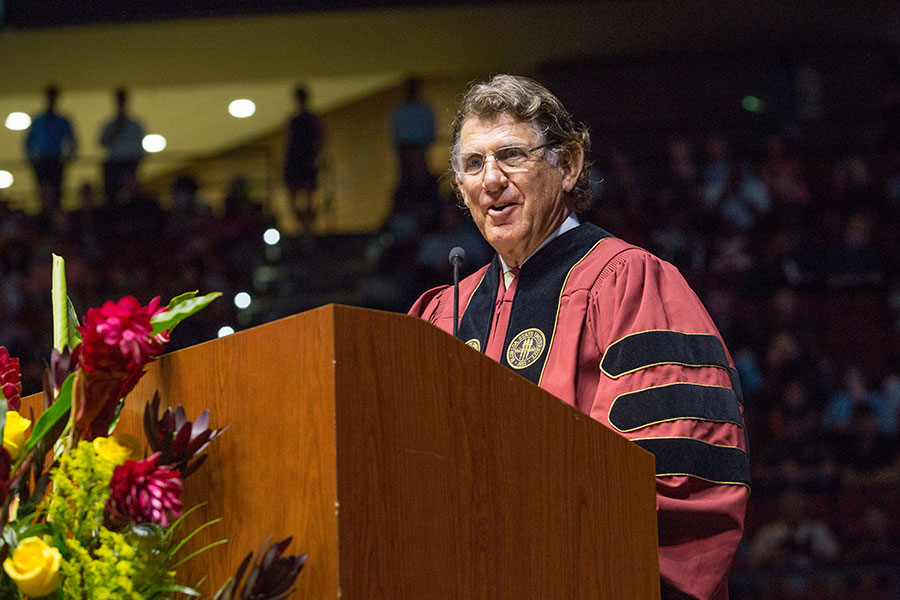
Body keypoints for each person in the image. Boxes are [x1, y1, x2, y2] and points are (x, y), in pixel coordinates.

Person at [409, 75, 748, 600]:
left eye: (511, 155)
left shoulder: (629, 283)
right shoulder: (442, 315)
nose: (490, 180)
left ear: (567, 165)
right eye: (473, 165)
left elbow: (677, 477)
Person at [25, 85, 77, 213]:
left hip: (55, 159)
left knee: (56, 191)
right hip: (43, 159)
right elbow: (28, 142)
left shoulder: (62, 120)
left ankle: (54, 216)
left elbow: (73, 141)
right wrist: (31, 159)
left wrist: (69, 158)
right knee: (43, 191)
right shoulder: (38, 120)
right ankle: (45, 215)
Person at [283, 86, 324, 232]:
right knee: (296, 196)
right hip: (297, 160)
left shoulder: (310, 119)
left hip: (305, 160)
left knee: (306, 195)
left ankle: (307, 225)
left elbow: (319, 139)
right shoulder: (295, 120)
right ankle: (304, 225)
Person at [98, 88, 145, 205]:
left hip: (130, 163)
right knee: (112, 195)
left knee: (131, 195)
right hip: (115, 163)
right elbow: (102, 142)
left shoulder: (135, 125)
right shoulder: (110, 124)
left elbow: (140, 147)